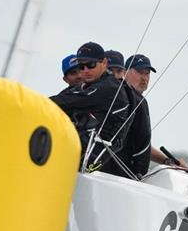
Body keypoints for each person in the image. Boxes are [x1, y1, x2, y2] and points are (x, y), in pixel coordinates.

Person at [50, 42, 130, 173]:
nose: (85, 71)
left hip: (94, 156)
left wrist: (33, 101)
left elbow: (69, 101)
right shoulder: (90, 85)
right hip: (81, 149)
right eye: (82, 66)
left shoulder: (109, 87)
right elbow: (65, 99)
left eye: (91, 65)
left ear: (104, 63)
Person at [124, 54, 188, 169]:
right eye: (139, 72)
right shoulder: (125, 99)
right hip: (120, 174)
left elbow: (140, 145)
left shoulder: (138, 101)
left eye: (147, 73)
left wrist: (168, 161)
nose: (144, 78)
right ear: (125, 72)